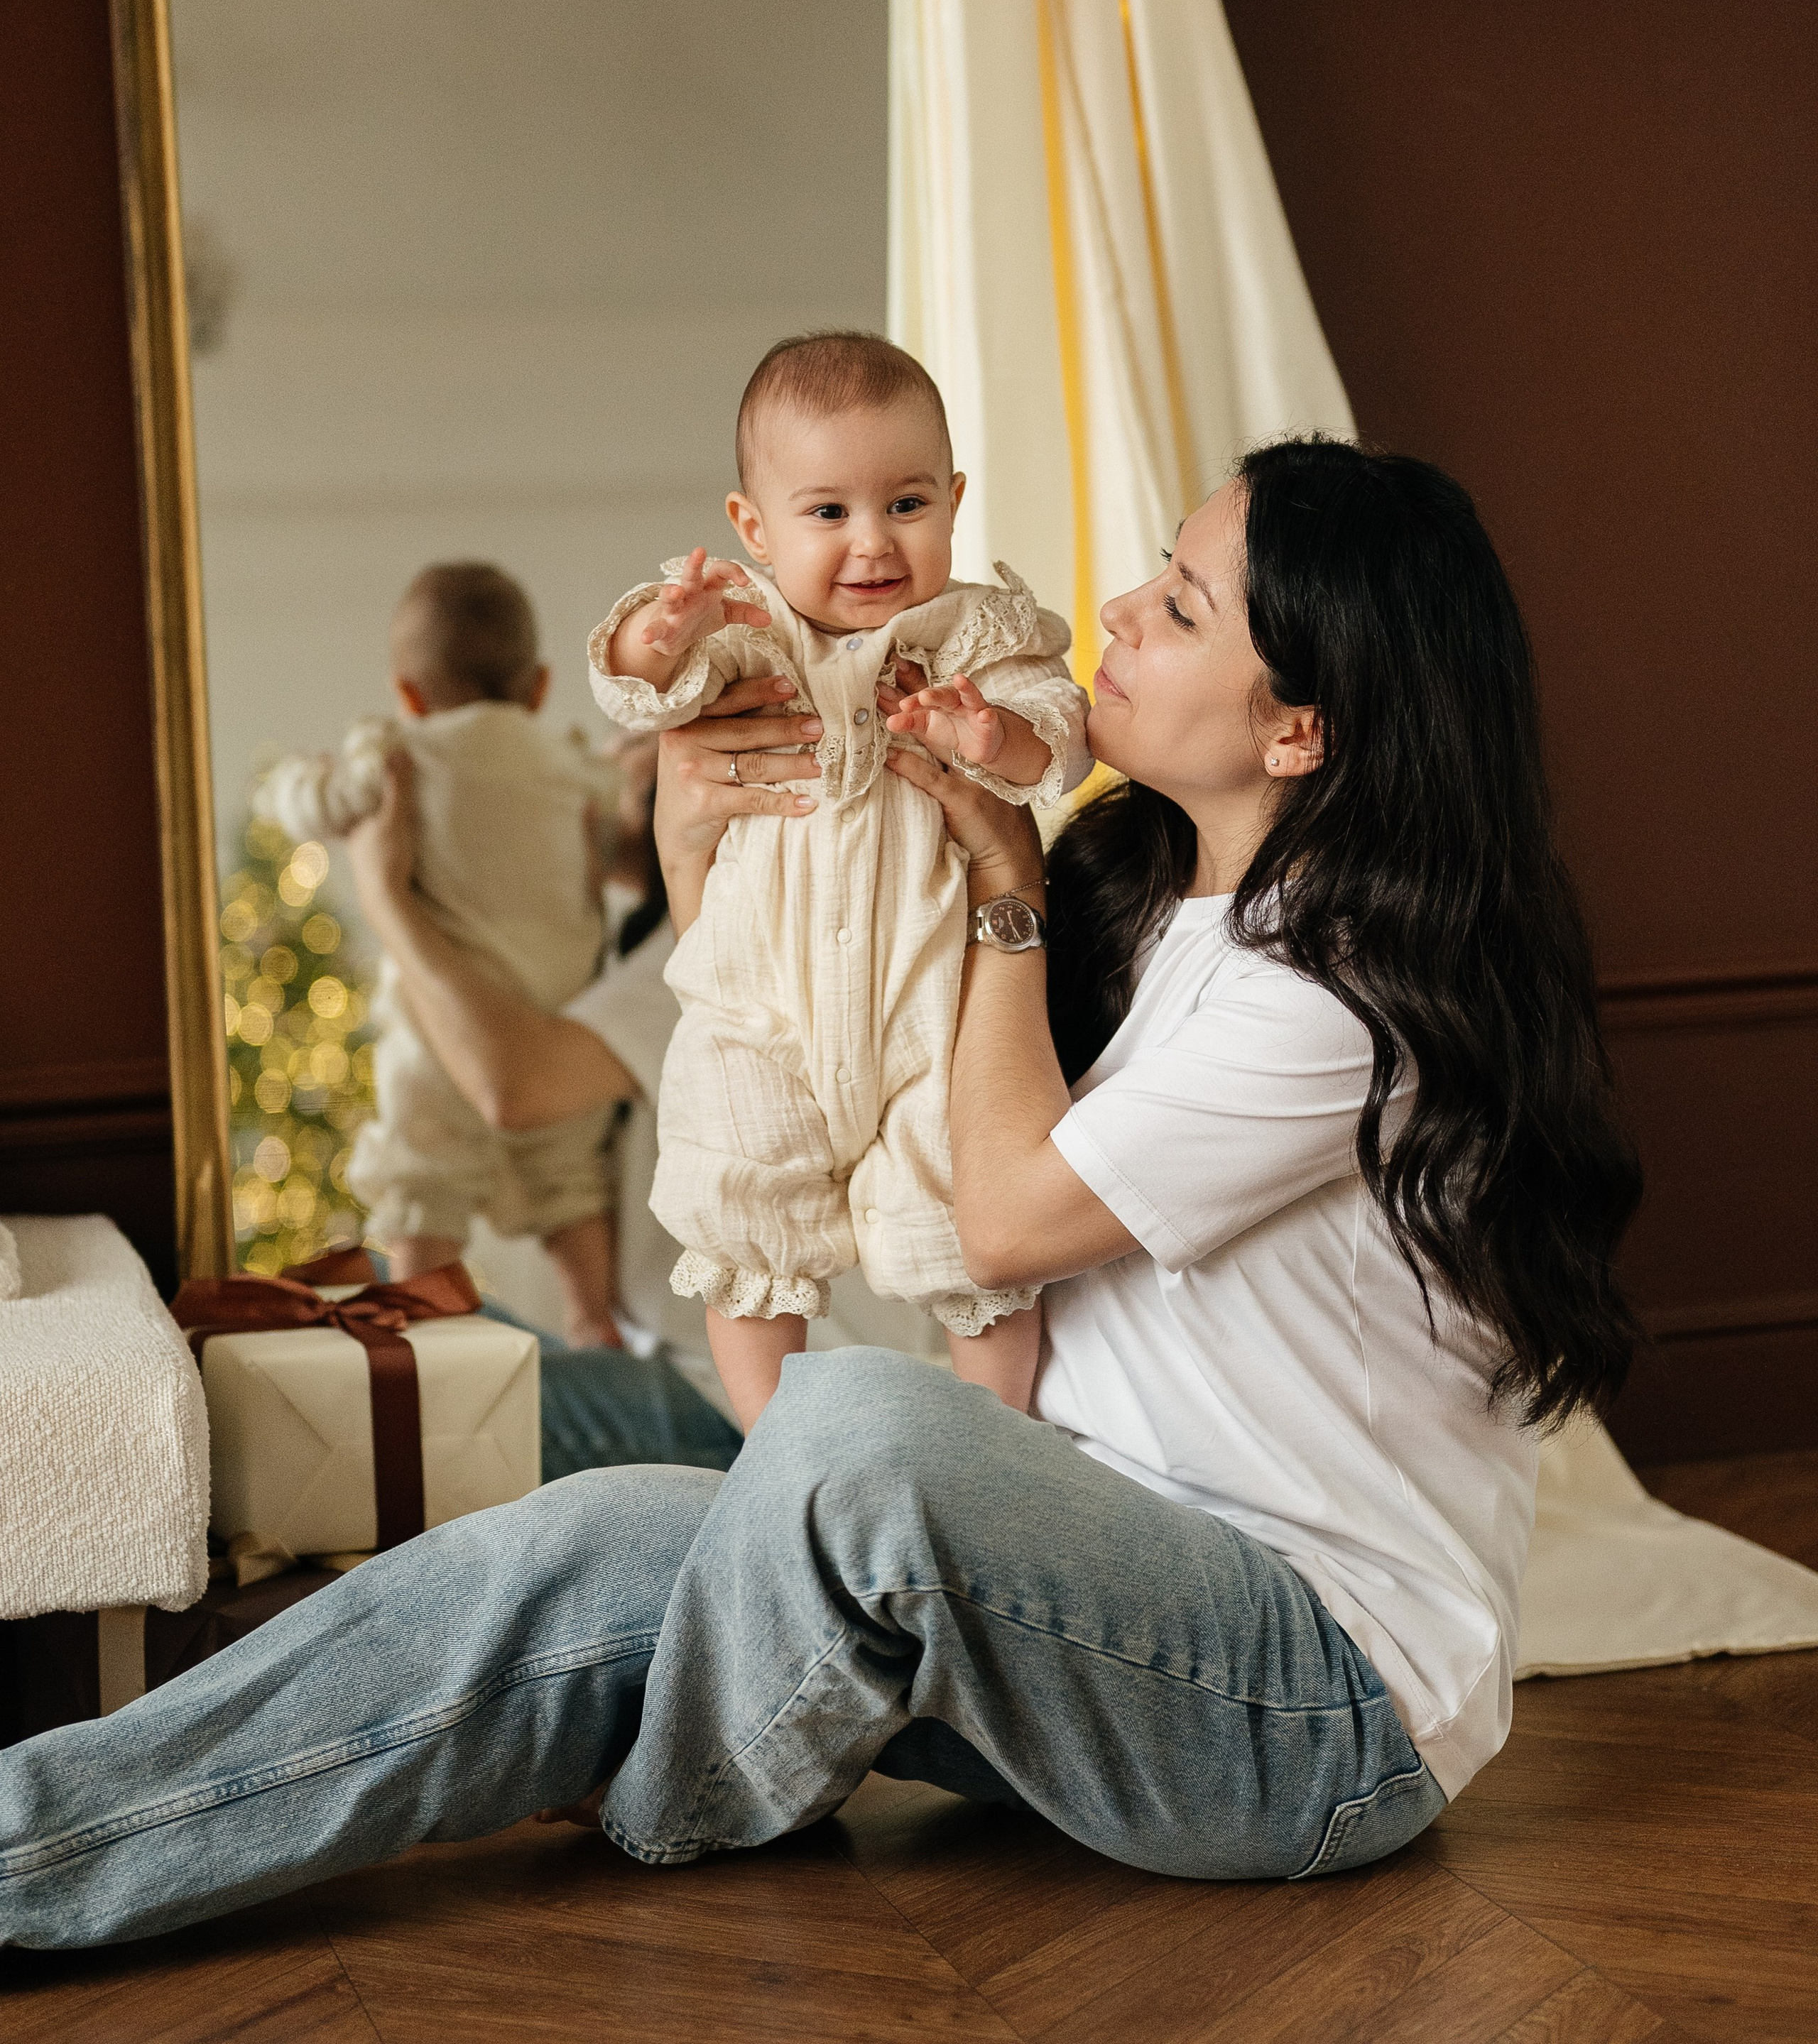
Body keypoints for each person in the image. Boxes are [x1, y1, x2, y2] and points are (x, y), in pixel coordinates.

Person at [0, 439, 1641, 1945]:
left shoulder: (1335, 997)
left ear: (1297, 725)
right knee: (587, 1542)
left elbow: (998, 1222)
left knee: (855, 1429)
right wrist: (703, 816)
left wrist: (999, 872)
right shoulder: (1138, 900)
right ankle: (32, 1852)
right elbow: (777, 1026)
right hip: (1067, 1581)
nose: (1120, 608)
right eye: (1153, 566)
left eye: (1182, 602)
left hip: (1311, 1707)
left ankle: (671, 1806)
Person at [589, 330, 1090, 1424]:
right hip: (760, 1008)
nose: (873, 544)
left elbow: (1060, 738)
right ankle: (776, 1441)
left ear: (955, 501)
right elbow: (650, 691)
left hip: (930, 1005)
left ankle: (1000, 1432)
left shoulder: (971, 637)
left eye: (907, 504)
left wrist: (988, 730)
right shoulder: (751, 638)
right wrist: (655, 636)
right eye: (828, 513)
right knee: (742, 1200)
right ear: (753, 529)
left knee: (973, 1213)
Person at [337, 723, 949, 1470]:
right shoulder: (644, 941)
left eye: (620, 750)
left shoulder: (708, 945)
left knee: (403, 1394)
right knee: (360, 1287)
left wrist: (389, 900)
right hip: (667, 1349)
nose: (589, 771)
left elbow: (514, 1086)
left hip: (741, 1392)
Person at [260, 561, 624, 1345]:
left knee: (423, 1181)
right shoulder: (568, 767)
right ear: (538, 687)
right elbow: (609, 828)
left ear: (410, 694)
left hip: (442, 1042)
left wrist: (290, 784)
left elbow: (313, 804)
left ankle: (419, 1330)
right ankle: (593, 1318)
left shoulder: (400, 757)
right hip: (554, 1028)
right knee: (570, 1187)